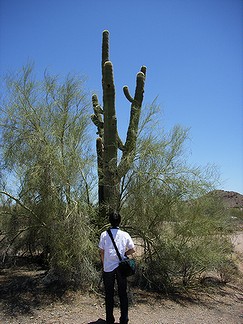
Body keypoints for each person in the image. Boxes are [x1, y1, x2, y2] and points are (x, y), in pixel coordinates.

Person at [99, 212, 135, 324]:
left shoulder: (104, 235)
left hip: (108, 267)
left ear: (110, 221)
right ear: (120, 221)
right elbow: (133, 249)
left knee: (109, 294)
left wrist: (104, 263)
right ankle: (124, 319)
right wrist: (124, 253)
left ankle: (110, 319)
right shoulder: (125, 235)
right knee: (123, 293)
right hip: (121, 268)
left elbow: (101, 251)